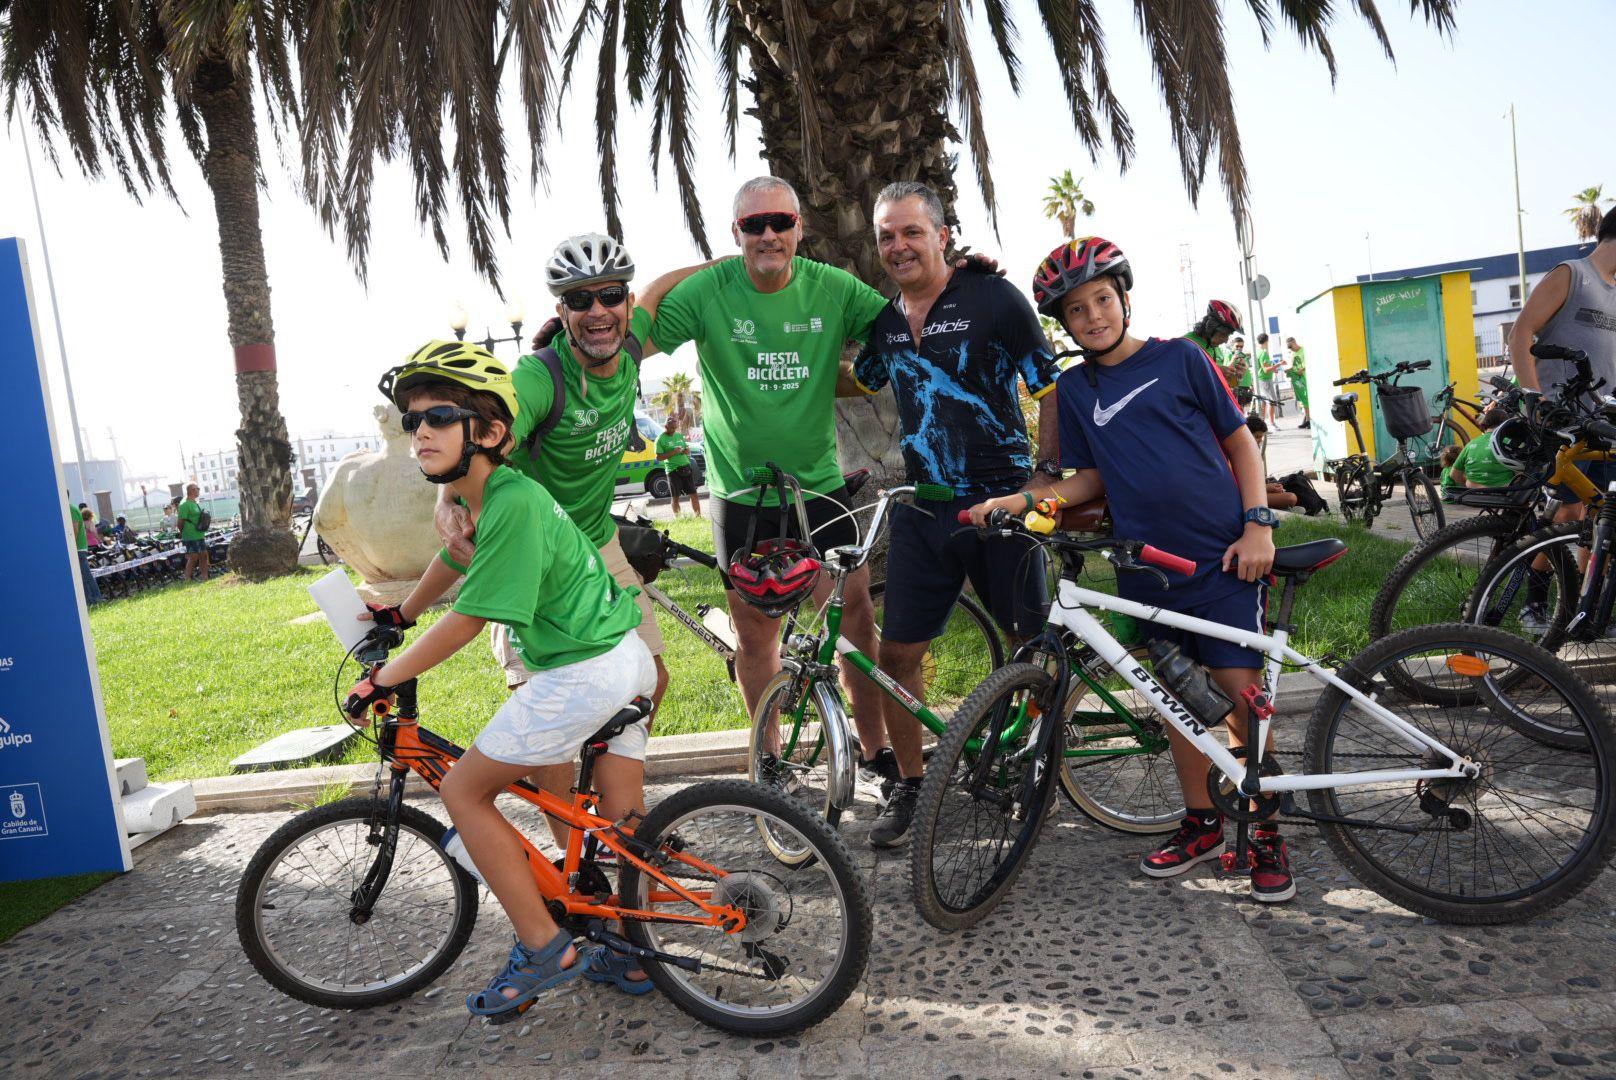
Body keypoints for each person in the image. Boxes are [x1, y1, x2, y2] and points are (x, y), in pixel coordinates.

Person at [966, 236, 1292, 903]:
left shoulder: (1182, 360)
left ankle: (1264, 831)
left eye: (1102, 300)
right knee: (1174, 700)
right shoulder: (1076, 389)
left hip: (1223, 559)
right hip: (1146, 569)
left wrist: (1258, 524)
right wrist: (1020, 502)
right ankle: (1201, 821)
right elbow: (1088, 478)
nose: (1092, 316)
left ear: (1124, 298)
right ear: (1063, 323)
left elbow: (1241, 444)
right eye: (1076, 310)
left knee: (1240, 694)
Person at [354, 343, 655, 1018]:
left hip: (584, 672)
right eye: (412, 420)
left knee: (463, 790)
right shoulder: (491, 497)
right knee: (624, 826)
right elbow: (457, 556)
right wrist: (400, 613)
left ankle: (546, 948)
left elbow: (468, 620)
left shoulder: (510, 503)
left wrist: (383, 679)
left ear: (490, 433)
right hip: (622, 654)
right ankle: (633, 945)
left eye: (439, 417)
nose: (421, 431)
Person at [650, 176, 898, 794]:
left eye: (780, 222)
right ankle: (769, 761)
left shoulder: (831, 287)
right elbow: (633, 338)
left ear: (799, 228)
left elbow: (904, 326)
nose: (768, 234)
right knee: (755, 636)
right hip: (741, 495)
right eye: (753, 225)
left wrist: (963, 281)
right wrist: (692, 270)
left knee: (854, 618)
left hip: (819, 487)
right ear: (735, 233)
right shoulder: (711, 290)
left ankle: (876, 752)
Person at [848, 180, 1059, 845]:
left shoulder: (992, 297)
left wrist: (1046, 475)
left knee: (1030, 645)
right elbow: (865, 378)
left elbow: (1048, 384)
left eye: (912, 231)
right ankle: (912, 785)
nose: (899, 246)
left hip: (1000, 502)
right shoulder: (885, 321)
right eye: (887, 236)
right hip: (925, 507)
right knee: (897, 654)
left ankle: (1032, 762)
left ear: (942, 236)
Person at [1507, 206, 1616, 628]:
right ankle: (1534, 603)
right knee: (1567, 512)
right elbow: (1521, 332)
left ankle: (1586, 607)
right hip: (1563, 418)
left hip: (1603, 420)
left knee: (1601, 515)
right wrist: (1533, 396)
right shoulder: (1573, 274)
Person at [1449, 408, 1515, 489]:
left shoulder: (1470, 444)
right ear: (1505, 425)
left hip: (1473, 493)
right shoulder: (1507, 443)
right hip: (1502, 493)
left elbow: (1454, 475)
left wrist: (1467, 484)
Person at [1244, 417, 1298, 511]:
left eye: (1261, 437)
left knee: (1288, 493)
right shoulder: (1241, 454)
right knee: (1290, 498)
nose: (1260, 441)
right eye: (1257, 437)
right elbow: (1244, 488)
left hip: (1255, 491)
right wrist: (1266, 488)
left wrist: (1268, 487)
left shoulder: (1252, 451)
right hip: (1245, 496)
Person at [1185, 299, 1244, 384]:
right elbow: (1176, 379)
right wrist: (1215, 372)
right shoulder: (1185, 344)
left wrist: (1237, 378)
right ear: (1210, 327)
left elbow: (1220, 386)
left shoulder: (1217, 349)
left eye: (1228, 335)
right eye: (1223, 334)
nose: (1226, 340)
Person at [654, 414, 702, 517]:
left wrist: (687, 451)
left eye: (675, 428)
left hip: (686, 467)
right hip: (673, 471)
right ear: (666, 426)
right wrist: (673, 452)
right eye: (671, 428)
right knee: (675, 497)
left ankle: (698, 516)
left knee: (694, 494)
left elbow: (686, 449)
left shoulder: (679, 436)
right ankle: (679, 518)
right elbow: (659, 457)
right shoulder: (660, 439)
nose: (674, 430)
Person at [68, 492, 101, 605]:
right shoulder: (72, 508)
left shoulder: (70, 509)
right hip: (79, 547)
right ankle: (89, 600)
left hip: (78, 548)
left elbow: (75, 530)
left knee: (86, 575)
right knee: (83, 576)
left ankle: (96, 598)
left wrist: (71, 546)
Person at [178, 483, 210, 582]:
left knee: (203, 555)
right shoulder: (184, 504)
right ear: (190, 491)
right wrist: (183, 533)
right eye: (196, 489)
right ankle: (187, 579)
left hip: (199, 534)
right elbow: (180, 522)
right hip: (190, 535)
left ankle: (205, 578)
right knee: (193, 557)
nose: (198, 490)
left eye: (198, 488)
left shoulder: (194, 502)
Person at [1284, 336, 1310, 428]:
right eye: (1288, 348)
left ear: (1294, 342)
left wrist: (1302, 369)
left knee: (1307, 399)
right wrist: (1288, 370)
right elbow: (1294, 366)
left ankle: (1308, 420)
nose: (1290, 349)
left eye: (1290, 346)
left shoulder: (1304, 350)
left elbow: (1310, 362)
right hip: (1298, 379)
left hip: (1305, 378)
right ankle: (1307, 420)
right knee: (1304, 400)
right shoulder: (1293, 354)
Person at [1254, 333, 1280, 424]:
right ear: (1266, 341)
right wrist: (1278, 364)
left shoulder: (1257, 352)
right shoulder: (1263, 353)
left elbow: (1264, 368)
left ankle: (1263, 422)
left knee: (1264, 402)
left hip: (1261, 380)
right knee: (1271, 401)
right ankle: (1272, 423)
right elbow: (1265, 370)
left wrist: (1273, 368)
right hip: (1265, 380)